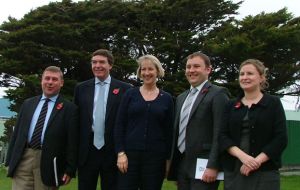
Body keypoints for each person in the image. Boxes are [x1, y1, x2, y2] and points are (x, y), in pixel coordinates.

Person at [218, 59, 288, 190]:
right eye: (242, 74)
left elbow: (280, 138)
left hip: (265, 172)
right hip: (235, 170)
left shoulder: (273, 103)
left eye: (249, 73)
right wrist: (244, 157)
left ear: (261, 77)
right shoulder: (230, 105)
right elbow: (223, 136)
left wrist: (256, 162)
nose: (244, 77)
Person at [5, 66, 79, 190]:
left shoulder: (70, 109)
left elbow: (72, 142)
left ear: (61, 83)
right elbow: (17, 133)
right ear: (42, 81)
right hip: (24, 159)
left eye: (54, 79)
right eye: (47, 78)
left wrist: (70, 169)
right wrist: (9, 161)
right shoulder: (28, 104)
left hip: (49, 163)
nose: (50, 82)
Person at [167, 52, 229, 190]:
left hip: (205, 166)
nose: (191, 70)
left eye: (196, 66)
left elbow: (220, 132)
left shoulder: (218, 94)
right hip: (182, 165)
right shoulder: (181, 98)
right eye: (188, 67)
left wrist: (214, 165)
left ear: (208, 69)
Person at [74, 49, 132, 190]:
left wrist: (123, 151)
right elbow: (75, 122)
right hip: (87, 152)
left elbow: (127, 123)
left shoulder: (125, 89)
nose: (97, 65)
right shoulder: (81, 88)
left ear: (110, 65)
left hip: (112, 151)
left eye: (102, 62)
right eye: (94, 62)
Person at [114, 55, 174, 190]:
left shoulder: (167, 98)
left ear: (157, 71)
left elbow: (169, 131)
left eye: (150, 69)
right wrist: (120, 153)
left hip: (155, 159)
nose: (146, 73)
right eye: (143, 69)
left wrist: (168, 161)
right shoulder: (130, 94)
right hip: (129, 157)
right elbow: (119, 125)